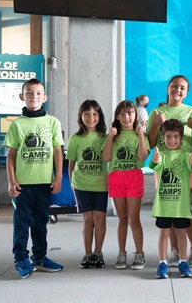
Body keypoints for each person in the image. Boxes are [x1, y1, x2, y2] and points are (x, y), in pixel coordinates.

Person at [4, 78, 65, 279]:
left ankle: (39, 257)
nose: (34, 96)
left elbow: (58, 151)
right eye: (29, 93)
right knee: (22, 222)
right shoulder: (17, 125)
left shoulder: (52, 122)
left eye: (38, 93)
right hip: (23, 184)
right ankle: (21, 259)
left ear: (44, 97)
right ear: (22, 97)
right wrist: (12, 181)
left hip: (44, 183)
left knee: (40, 221)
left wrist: (57, 178)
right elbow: (11, 155)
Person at [146, 75, 192, 268]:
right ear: (167, 88)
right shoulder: (157, 112)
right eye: (174, 86)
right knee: (169, 205)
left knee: (183, 207)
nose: (177, 90)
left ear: (187, 92)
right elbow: (151, 143)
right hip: (163, 166)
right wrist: (155, 124)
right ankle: (175, 250)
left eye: (182, 88)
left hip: (186, 166)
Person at [102, 100, 150, 270]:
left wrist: (141, 135)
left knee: (134, 218)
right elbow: (106, 158)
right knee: (122, 218)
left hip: (134, 176)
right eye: (122, 114)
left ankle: (139, 253)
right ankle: (121, 253)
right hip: (116, 177)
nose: (126, 117)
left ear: (135, 115)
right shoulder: (114, 135)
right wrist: (110, 136)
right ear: (117, 116)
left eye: (129, 113)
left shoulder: (139, 134)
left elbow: (143, 157)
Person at [150, 119, 192, 278]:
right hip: (164, 205)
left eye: (176, 137)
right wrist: (155, 160)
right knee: (164, 232)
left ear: (181, 138)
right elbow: (155, 165)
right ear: (163, 138)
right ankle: (162, 263)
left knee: (181, 233)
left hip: (180, 206)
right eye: (168, 136)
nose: (172, 140)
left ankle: (183, 262)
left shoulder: (184, 156)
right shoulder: (161, 156)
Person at [67, 100, 108, 269]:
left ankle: (98, 253)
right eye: (87, 114)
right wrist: (72, 182)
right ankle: (87, 253)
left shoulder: (105, 138)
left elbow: (108, 159)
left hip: (101, 185)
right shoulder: (75, 138)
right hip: (81, 184)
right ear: (81, 116)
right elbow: (71, 163)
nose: (91, 118)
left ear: (100, 116)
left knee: (99, 219)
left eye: (95, 114)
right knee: (88, 219)